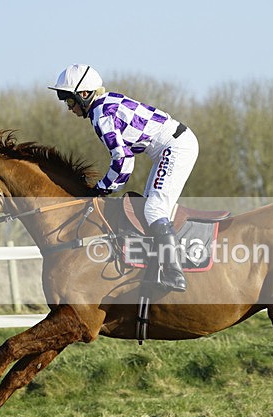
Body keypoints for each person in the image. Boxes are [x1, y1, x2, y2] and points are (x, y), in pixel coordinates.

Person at [49, 64, 198, 292]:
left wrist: (101, 188)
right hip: (171, 146)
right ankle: (157, 269)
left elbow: (123, 159)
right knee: (148, 209)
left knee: (154, 210)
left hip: (175, 147)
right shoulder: (104, 104)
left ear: (84, 95)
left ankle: (174, 273)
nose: (69, 107)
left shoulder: (102, 116)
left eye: (69, 100)